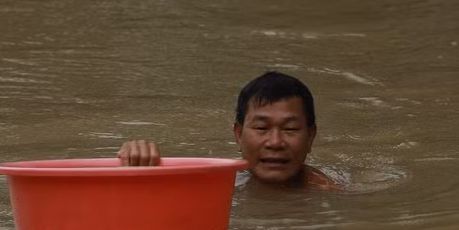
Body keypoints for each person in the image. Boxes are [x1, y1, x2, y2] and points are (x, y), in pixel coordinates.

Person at [118, 71, 339, 189]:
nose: (275, 142)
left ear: (310, 137)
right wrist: (135, 166)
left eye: (290, 129)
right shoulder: (218, 187)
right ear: (238, 135)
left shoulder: (332, 195)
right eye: (261, 127)